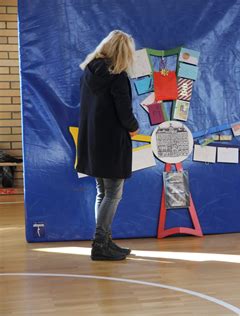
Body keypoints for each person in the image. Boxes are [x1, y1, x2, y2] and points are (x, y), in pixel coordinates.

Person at [77, 30, 139, 260]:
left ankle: (104, 240)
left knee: (102, 192)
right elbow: (125, 113)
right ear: (123, 53)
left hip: (93, 141)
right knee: (113, 194)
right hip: (112, 142)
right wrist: (134, 127)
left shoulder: (89, 71)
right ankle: (100, 243)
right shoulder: (117, 76)